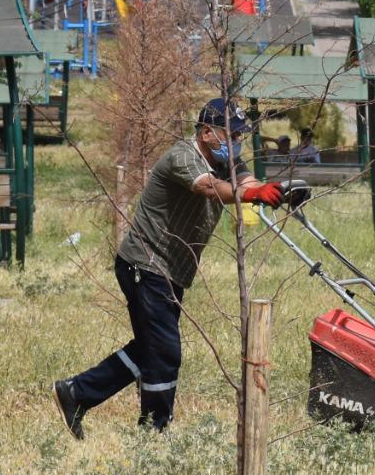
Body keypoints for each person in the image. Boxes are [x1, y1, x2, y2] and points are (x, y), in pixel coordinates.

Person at [53, 100, 307, 437]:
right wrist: (252, 194)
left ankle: (77, 392)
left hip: (172, 271)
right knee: (165, 351)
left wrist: (275, 193)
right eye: (230, 134)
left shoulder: (228, 158)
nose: (236, 142)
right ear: (206, 132)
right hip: (146, 263)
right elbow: (208, 187)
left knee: (150, 347)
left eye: (240, 136)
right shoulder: (184, 156)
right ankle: (154, 429)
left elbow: (245, 184)